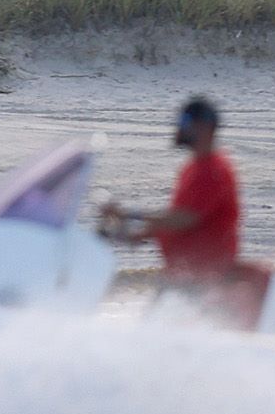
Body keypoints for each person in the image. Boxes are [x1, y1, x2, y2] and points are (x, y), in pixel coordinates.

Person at [100, 97, 242, 303]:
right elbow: (174, 219)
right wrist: (138, 234)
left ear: (204, 128)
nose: (179, 128)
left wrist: (129, 215)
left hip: (202, 274)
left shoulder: (212, 171)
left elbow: (183, 219)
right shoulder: (194, 168)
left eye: (185, 122)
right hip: (182, 272)